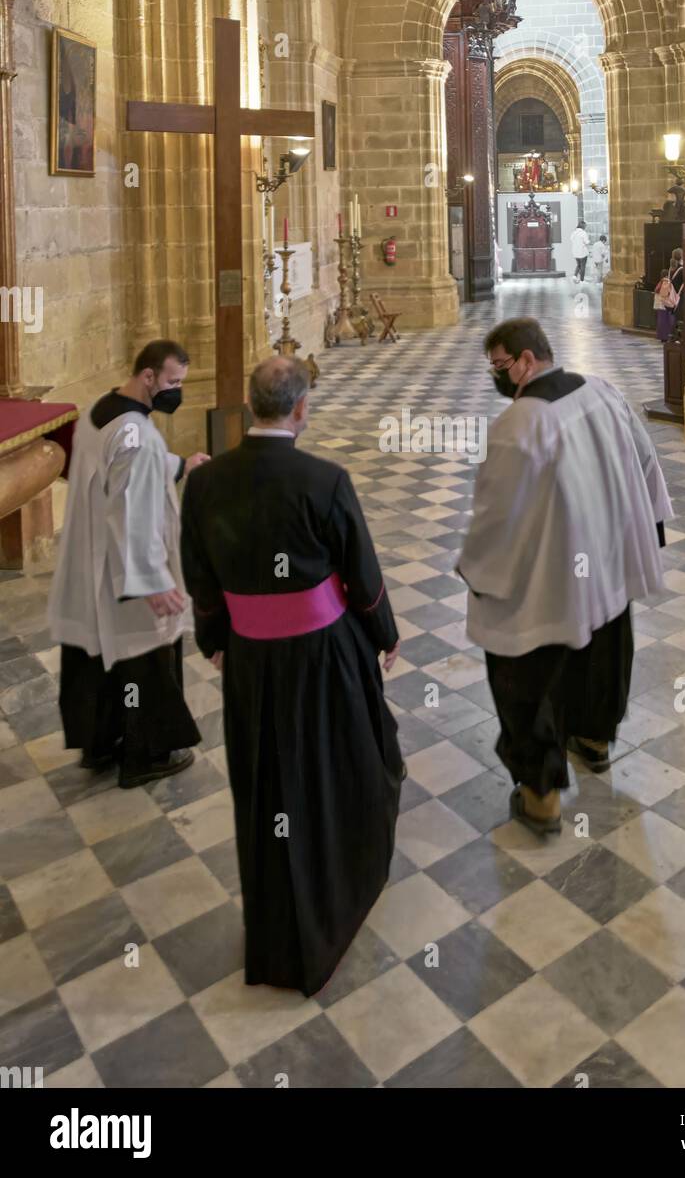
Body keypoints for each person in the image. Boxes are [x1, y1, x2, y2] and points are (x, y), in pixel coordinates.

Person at [180, 356, 403, 996]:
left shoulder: (205, 483)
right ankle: (333, 900)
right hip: (321, 654)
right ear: (301, 409)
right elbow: (360, 574)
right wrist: (384, 632)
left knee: (268, 781)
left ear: (251, 406)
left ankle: (278, 928)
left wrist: (216, 638)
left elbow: (200, 576)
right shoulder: (324, 480)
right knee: (333, 768)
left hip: (251, 658)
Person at [456, 318, 673, 838]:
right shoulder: (602, 392)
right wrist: (653, 523)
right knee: (604, 648)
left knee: (522, 674)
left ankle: (541, 794)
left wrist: (480, 573)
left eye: (502, 366)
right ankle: (594, 740)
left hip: (549, 578)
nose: (499, 378)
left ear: (528, 360)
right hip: (607, 558)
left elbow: (494, 517)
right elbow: (645, 458)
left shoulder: (519, 425)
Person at [47, 340, 209, 788]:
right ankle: (145, 755)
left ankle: (99, 746)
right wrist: (151, 580)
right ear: (148, 377)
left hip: (92, 564)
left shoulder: (102, 408)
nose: (177, 391)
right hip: (125, 572)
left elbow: (122, 469)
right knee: (145, 659)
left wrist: (179, 465)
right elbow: (132, 513)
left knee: (98, 658)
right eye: (173, 382)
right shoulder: (135, 434)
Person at [654, 248, 684, 342]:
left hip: (670, 295)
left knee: (670, 314)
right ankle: (677, 336)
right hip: (678, 295)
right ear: (681, 256)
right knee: (677, 316)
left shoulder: (671, 268)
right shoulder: (681, 269)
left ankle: (669, 335)